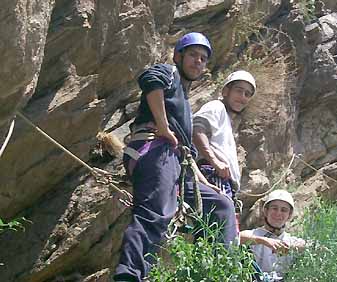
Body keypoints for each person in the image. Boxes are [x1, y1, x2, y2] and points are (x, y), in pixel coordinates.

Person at [113, 32, 237, 282]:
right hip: (156, 150)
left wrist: (205, 182)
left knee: (221, 205)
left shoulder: (183, 101)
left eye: (203, 59)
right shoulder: (169, 73)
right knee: (155, 213)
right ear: (178, 55)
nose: (198, 62)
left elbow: (188, 153)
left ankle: (214, 273)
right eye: (193, 55)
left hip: (178, 164)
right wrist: (163, 125)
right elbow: (150, 79)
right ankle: (129, 276)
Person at [193, 70, 256, 199]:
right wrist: (215, 161)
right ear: (226, 91)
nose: (243, 97)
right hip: (213, 174)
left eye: (247, 94)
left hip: (223, 180)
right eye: (239, 90)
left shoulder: (226, 121)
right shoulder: (216, 107)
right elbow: (197, 130)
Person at [240, 190, 306, 280]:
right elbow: (236, 237)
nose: (278, 213)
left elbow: (309, 246)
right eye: (274, 208)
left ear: (289, 215)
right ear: (266, 211)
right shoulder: (254, 234)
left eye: (284, 210)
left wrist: (290, 246)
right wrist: (264, 241)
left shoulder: (290, 239)